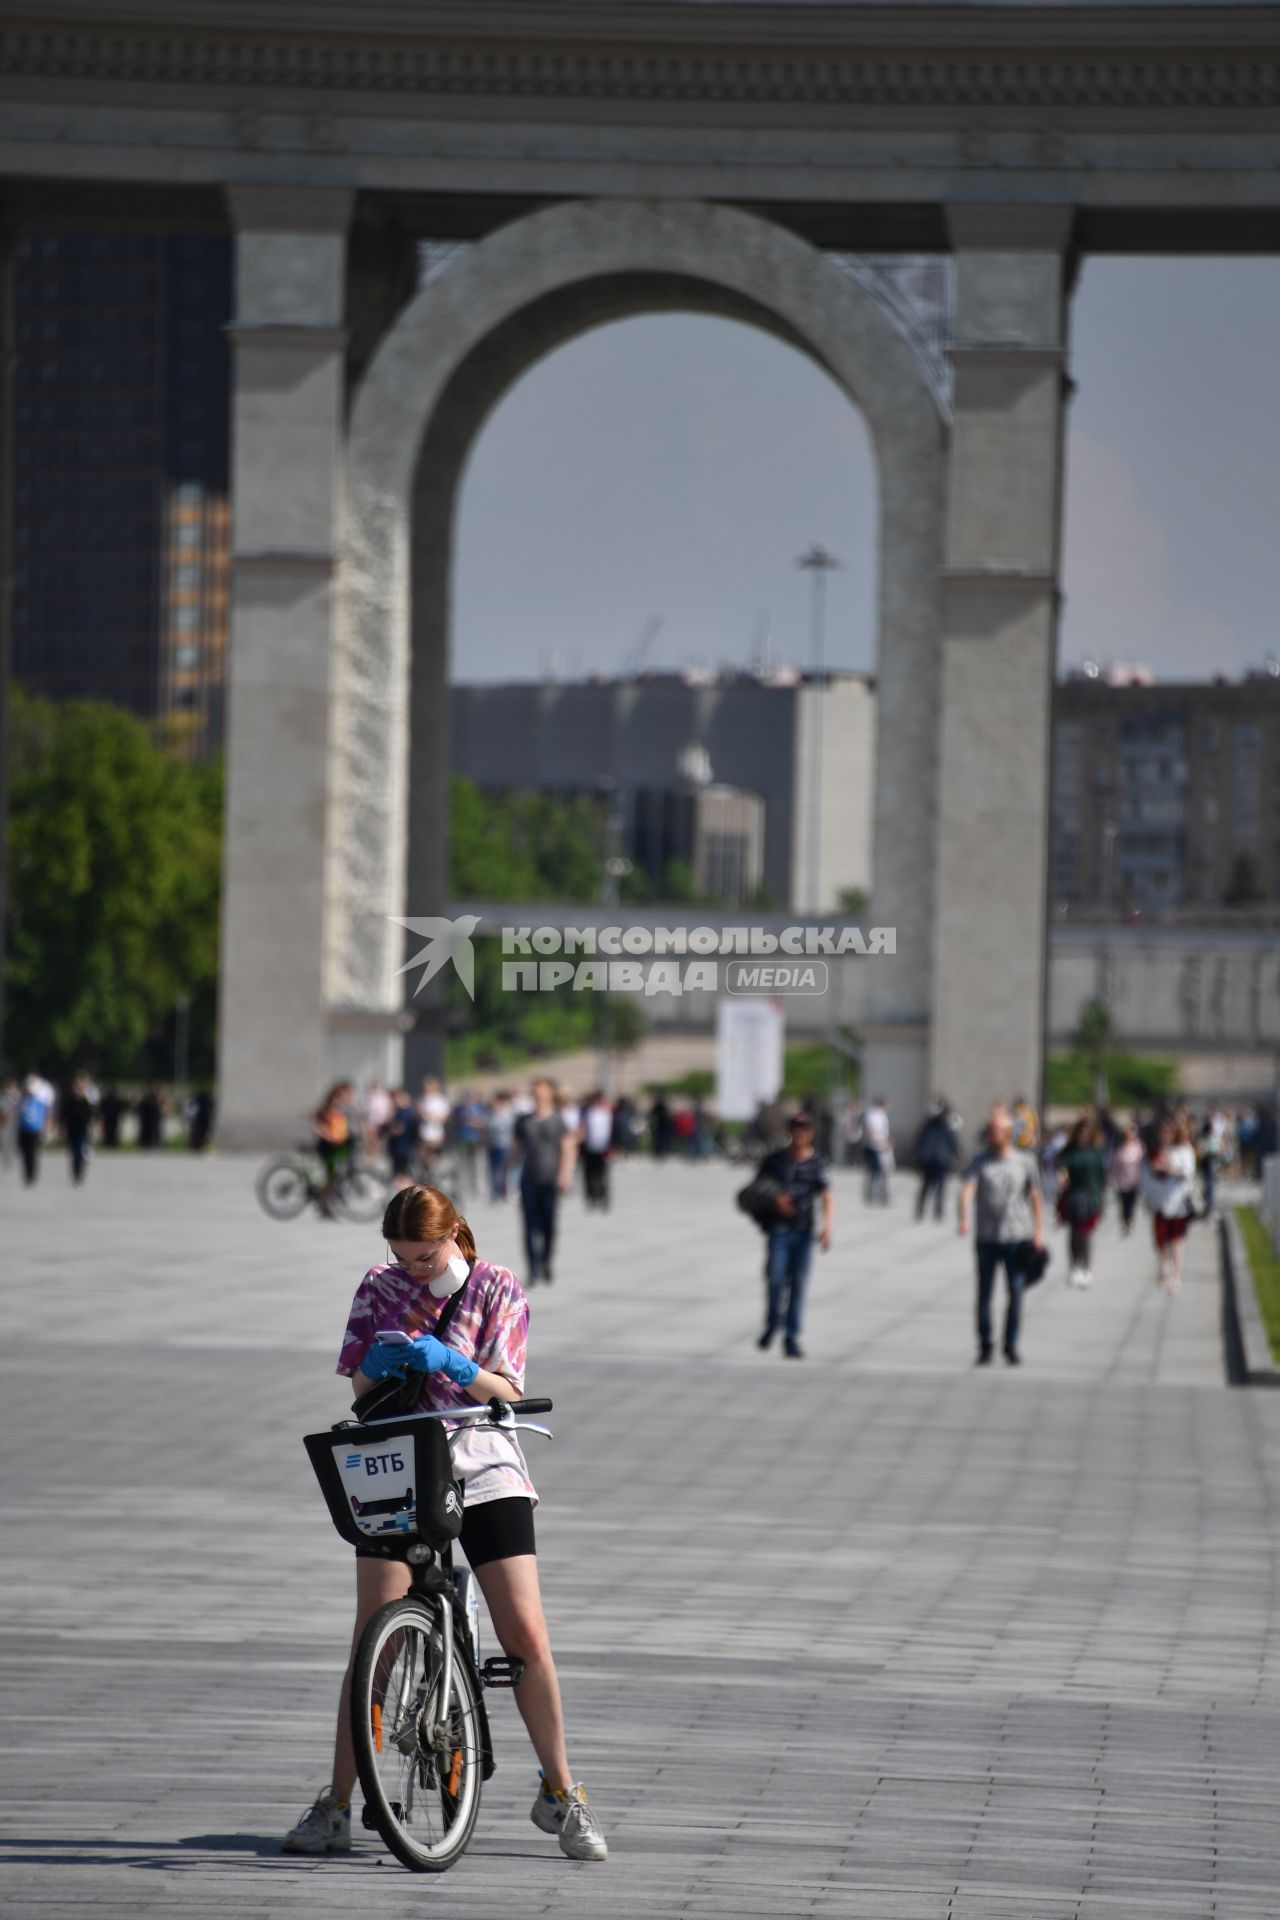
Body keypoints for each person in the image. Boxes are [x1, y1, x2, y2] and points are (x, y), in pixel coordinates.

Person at [280, 1183, 607, 1863]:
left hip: (481, 1462)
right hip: (397, 1466)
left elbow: (508, 1390)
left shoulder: (496, 1287)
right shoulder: (377, 1286)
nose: (414, 1269)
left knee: (526, 1634)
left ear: (453, 1233)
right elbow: (361, 1392)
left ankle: (562, 1789)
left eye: (425, 1257)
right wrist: (374, 1367)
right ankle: (337, 1803)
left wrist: (457, 1367)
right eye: (404, 1257)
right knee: (375, 1636)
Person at [958, 1104, 1045, 1366]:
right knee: (984, 1295)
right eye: (989, 1131)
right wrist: (964, 1217)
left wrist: (1039, 1231)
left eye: (994, 1131)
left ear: (1007, 1134)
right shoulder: (979, 1160)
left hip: (1017, 1237)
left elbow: (1035, 1197)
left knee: (1016, 1293)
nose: (989, 1135)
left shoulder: (1025, 1162)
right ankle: (985, 1345)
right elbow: (967, 1189)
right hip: (986, 1237)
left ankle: (1011, 1345)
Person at [755, 1112, 833, 1360]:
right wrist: (775, 1198)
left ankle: (791, 1337)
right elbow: (756, 1188)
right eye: (796, 1129)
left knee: (798, 1286)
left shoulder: (818, 1162)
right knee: (776, 1279)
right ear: (789, 1131)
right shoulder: (775, 1161)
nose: (800, 1134)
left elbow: (826, 1194)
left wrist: (827, 1226)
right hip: (778, 1231)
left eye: (804, 1129)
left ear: (811, 1133)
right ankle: (772, 1323)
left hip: (803, 1232)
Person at [512, 1079, 577, 1284]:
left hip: (550, 1180)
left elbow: (568, 1149)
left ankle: (546, 1262)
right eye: (535, 1091)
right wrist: (504, 1172)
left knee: (548, 1225)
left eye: (542, 1091)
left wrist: (565, 1175)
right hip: (529, 1179)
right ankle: (532, 1268)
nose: (538, 1095)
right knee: (529, 1225)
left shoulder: (558, 1120)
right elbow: (515, 1148)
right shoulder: (524, 1121)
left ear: (550, 1094)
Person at [1141, 1116, 1197, 1294]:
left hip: (1177, 1202)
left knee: (1176, 1240)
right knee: (1159, 1239)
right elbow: (1146, 1175)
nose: (1165, 1134)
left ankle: (1176, 1275)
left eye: (1169, 1131)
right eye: (1163, 1131)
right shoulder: (1155, 1151)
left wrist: (1169, 1168)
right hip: (1159, 1200)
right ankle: (1164, 1268)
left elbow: (1188, 1173)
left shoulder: (1183, 1150)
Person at [1056, 1115, 1107, 1288]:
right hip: (1073, 1194)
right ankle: (1074, 1267)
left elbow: (1101, 1177)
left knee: (1085, 1232)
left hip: (1090, 1195)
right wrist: (1062, 1175)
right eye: (1081, 1131)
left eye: (1087, 1131)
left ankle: (1085, 1267)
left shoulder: (1095, 1152)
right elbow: (1061, 1166)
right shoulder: (1069, 1150)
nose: (1084, 1134)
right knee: (1074, 1231)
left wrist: (1101, 1199)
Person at [313, 1081, 355, 1217]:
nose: (343, 1098)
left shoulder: (341, 1109)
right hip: (327, 1146)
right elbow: (318, 1126)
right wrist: (328, 1135)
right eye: (340, 1095)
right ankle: (324, 1204)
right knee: (331, 1176)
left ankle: (325, 1204)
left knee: (333, 1176)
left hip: (338, 1146)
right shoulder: (328, 1109)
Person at [914, 1098, 960, 1222]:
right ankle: (930, 1211)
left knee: (933, 1187)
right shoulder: (939, 1125)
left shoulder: (936, 1124)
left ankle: (933, 1211)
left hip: (936, 1159)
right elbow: (953, 1143)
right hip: (936, 1159)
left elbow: (920, 1140)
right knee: (931, 1186)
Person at [17, 1071, 55, 1185]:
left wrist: (46, 1126)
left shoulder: (39, 1101)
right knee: (25, 1153)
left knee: (33, 1153)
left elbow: (46, 1114)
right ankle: (27, 1173)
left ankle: (32, 1174)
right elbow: (18, 1114)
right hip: (23, 1129)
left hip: (35, 1130)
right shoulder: (22, 1100)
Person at [578, 1091, 614, 1210]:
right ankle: (591, 1197)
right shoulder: (587, 1112)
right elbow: (581, 1128)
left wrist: (613, 1147)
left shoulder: (608, 1113)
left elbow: (613, 1130)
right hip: (589, 1148)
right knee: (589, 1174)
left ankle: (604, 1198)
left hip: (603, 1148)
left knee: (603, 1175)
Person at [1109, 1121, 1145, 1237]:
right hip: (1121, 1181)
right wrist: (1113, 1178)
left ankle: (1130, 1221)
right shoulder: (1119, 1148)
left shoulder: (1138, 1147)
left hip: (1135, 1180)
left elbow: (1142, 1164)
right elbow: (1114, 1165)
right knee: (1123, 1204)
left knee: (1131, 1203)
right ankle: (1125, 1222)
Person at [62, 1071, 97, 1186]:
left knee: (81, 1153)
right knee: (74, 1153)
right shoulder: (70, 1100)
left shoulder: (87, 1100)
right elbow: (65, 1115)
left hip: (83, 1130)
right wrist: (63, 1128)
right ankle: (75, 1173)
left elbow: (92, 1115)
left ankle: (79, 1174)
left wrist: (93, 1126)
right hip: (72, 1129)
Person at [486, 1090, 516, 1201]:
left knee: (506, 1170)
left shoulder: (510, 1113)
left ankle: (506, 1191)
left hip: (506, 1144)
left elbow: (511, 1128)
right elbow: (488, 1127)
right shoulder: (492, 1112)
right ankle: (495, 1192)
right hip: (493, 1144)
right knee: (493, 1170)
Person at [862, 1094, 892, 1205]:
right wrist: (880, 1141)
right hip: (874, 1147)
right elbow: (871, 1130)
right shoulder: (872, 1114)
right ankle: (872, 1196)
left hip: (882, 1147)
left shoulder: (882, 1115)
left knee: (883, 1172)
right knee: (875, 1172)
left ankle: (881, 1196)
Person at [417, 1075, 450, 1174]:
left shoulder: (440, 1100)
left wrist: (434, 1118)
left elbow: (444, 1117)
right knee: (424, 1151)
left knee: (435, 1150)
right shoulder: (423, 1099)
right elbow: (419, 1111)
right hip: (425, 1129)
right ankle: (426, 1170)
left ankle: (434, 1169)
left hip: (435, 1130)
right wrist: (423, 1115)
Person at [136, 1084, 165, 1150]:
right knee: (150, 1132)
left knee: (155, 1132)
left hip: (153, 1119)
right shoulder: (150, 1098)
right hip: (149, 1119)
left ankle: (153, 1143)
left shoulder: (156, 1098)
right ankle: (149, 1144)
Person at [0, 1075, 19, 1171]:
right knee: (5, 1142)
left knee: (13, 1142)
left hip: (14, 1123)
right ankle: (7, 1160)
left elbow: (19, 1107)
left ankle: (10, 1160)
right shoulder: (3, 1096)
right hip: (4, 1123)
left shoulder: (16, 1096)